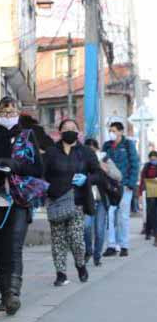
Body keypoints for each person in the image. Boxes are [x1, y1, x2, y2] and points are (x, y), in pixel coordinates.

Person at [0, 97, 44, 316]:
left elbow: (37, 169)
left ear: (19, 113)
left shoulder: (28, 136)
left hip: (19, 200)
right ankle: (4, 295)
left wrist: (15, 165)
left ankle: (13, 294)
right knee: (0, 250)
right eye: (4, 112)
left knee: (14, 248)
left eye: (12, 112)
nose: (8, 116)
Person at [43, 119, 99, 286]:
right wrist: (47, 189)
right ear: (60, 132)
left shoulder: (86, 152)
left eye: (73, 129)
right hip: (56, 202)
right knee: (58, 240)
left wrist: (87, 179)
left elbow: (98, 174)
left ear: (78, 132)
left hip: (77, 201)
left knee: (76, 239)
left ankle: (80, 265)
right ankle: (61, 273)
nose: (69, 131)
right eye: (66, 129)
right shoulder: (51, 152)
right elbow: (41, 174)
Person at [102, 122, 140, 257]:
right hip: (110, 186)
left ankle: (124, 246)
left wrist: (131, 183)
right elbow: (102, 163)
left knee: (122, 217)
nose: (111, 133)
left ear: (120, 131)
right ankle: (111, 245)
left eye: (113, 130)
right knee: (110, 215)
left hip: (124, 185)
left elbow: (135, 164)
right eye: (109, 130)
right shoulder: (106, 146)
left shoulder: (128, 145)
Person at [83, 139, 122, 267]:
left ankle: (97, 256)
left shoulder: (105, 160)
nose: (90, 153)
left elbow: (118, 176)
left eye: (92, 150)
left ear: (96, 148)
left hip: (101, 200)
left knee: (99, 230)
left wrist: (105, 169)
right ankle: (88, 251)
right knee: (86, 227)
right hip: (87, 199)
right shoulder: (82, 160)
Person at [139, 151, 157, 245]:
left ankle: (153, 232)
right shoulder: (147, 166)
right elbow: (142, 179)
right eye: (152, 159)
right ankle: (149, 231)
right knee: (150, 212)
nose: (153, 161)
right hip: (151, 189)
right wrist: (140, 193)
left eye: (155, 159)